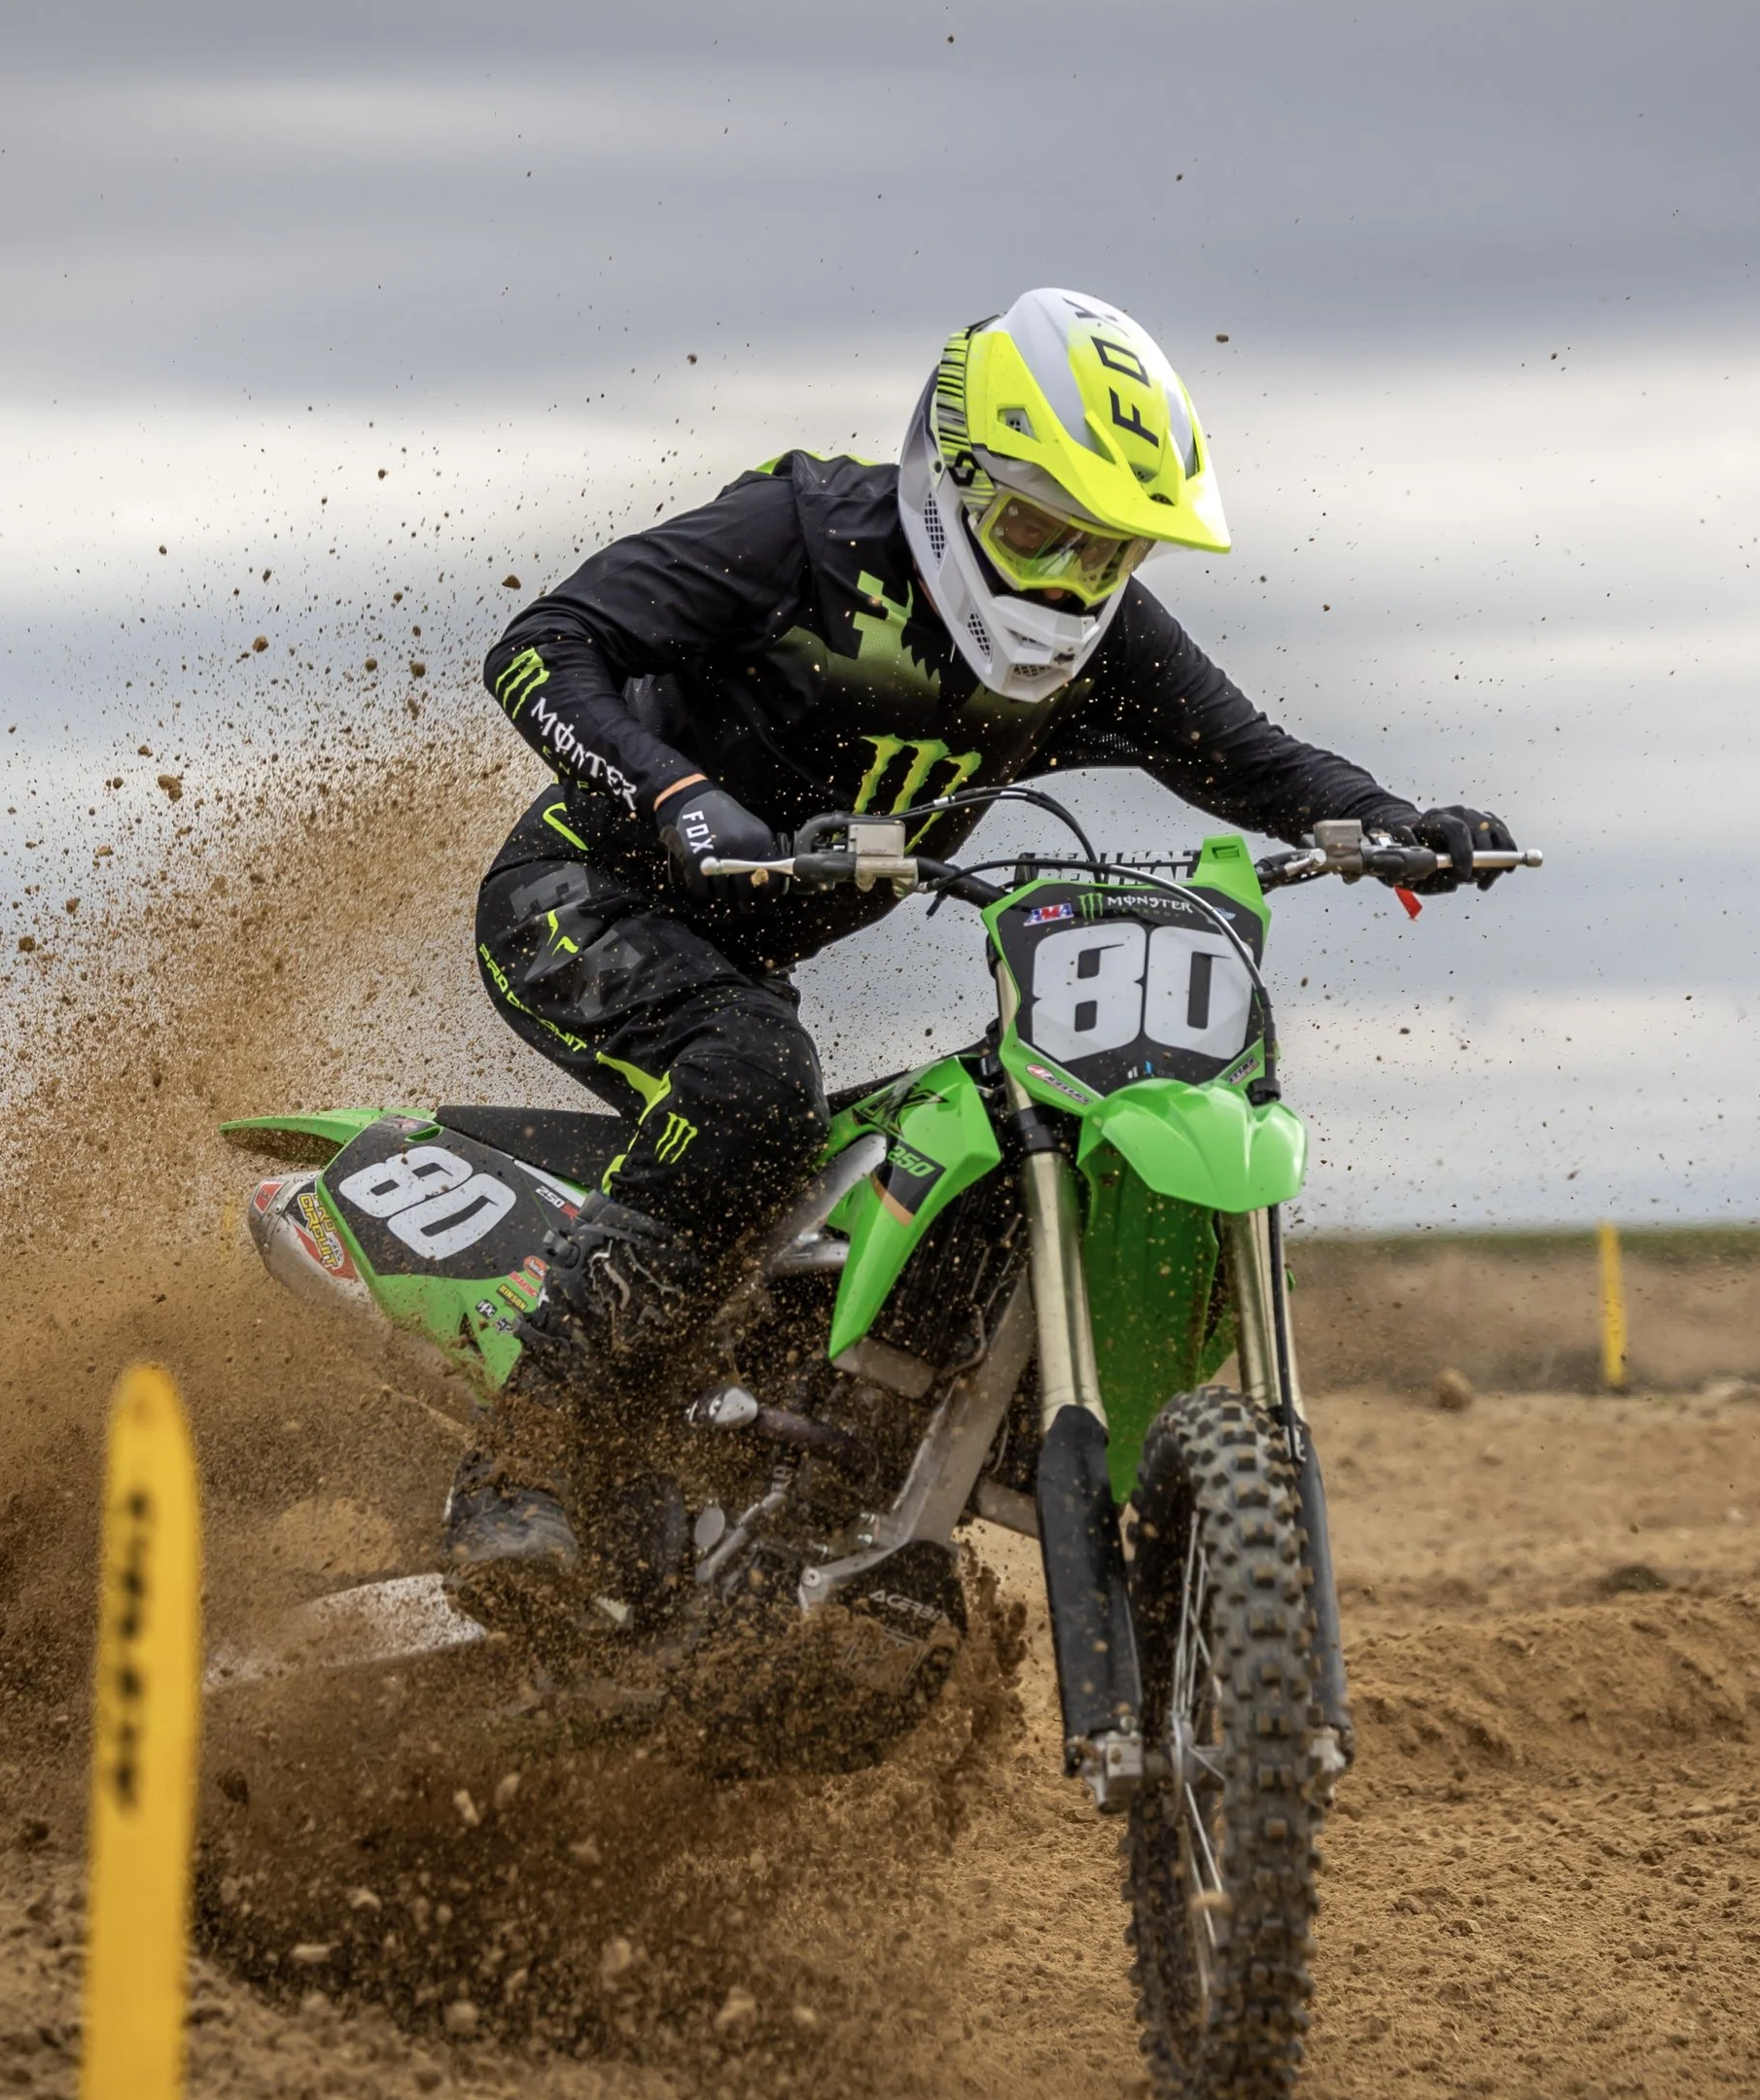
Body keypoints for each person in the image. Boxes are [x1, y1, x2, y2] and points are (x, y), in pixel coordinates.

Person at [446, 287, 1513, 1595]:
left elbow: (1254, 761)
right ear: (952, 479)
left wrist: (1395, 822)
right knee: (751, 1083)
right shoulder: (798, 533)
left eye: (1107, 555)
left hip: (740, 971)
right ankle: (520, 1463)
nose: (1069, 582)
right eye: (1036, 533)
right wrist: (676, 797)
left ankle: (805, 1487)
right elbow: (545, 645)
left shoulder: (1099, 643)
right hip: (583, 897)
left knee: (944, 1128)